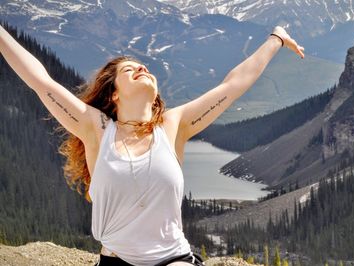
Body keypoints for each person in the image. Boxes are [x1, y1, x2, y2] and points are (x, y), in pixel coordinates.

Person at [0, 23, 304, 266]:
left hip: (173, 259)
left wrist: (276, 38)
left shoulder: (173, 126)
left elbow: (233, 85)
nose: (141, 68)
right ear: (114, 94)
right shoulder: (96, 129)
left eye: (144, 66)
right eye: (129, 70)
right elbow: (40, 81)